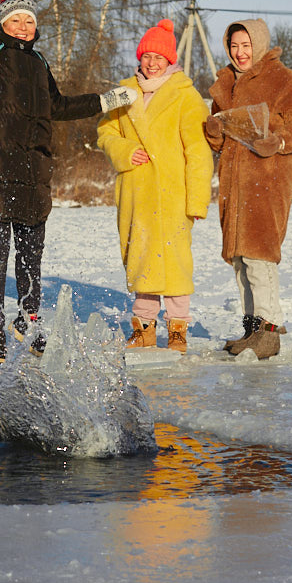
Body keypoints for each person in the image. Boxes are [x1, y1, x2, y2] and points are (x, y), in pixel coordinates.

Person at [0, 0, 138, 364]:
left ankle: (29, 324)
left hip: (33, 177)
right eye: (16, 19)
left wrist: (104, 100)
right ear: (4, 23)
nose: (23, 26)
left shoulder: (38, 65)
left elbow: (57, 108)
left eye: (29, 21)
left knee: (31, 262)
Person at [203, 18, 292, 359]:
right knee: (240, 259)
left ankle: (270, 330)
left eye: (246, 46)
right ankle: (253, 327)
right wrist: (213, 130)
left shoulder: (281, 79)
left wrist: (280, 140)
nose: (240, 53)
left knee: (259, 255)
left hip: (267, 179)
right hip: (235, 183)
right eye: (235, 46)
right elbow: (220, 138)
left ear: (259, 44)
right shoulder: (225, 82)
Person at [96, 19, 213, 354]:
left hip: (173, 196)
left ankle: (177, 330)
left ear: (170, 60)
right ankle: (144, 329)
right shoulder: (122, 92)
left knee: (175, 265)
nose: (151, 62)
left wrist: (197, 201)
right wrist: (123, 151)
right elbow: (105, 133)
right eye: (146, 55)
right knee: (142, 261)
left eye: (158, 57)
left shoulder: (186, 96)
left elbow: (198, 151)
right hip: (136, 193)